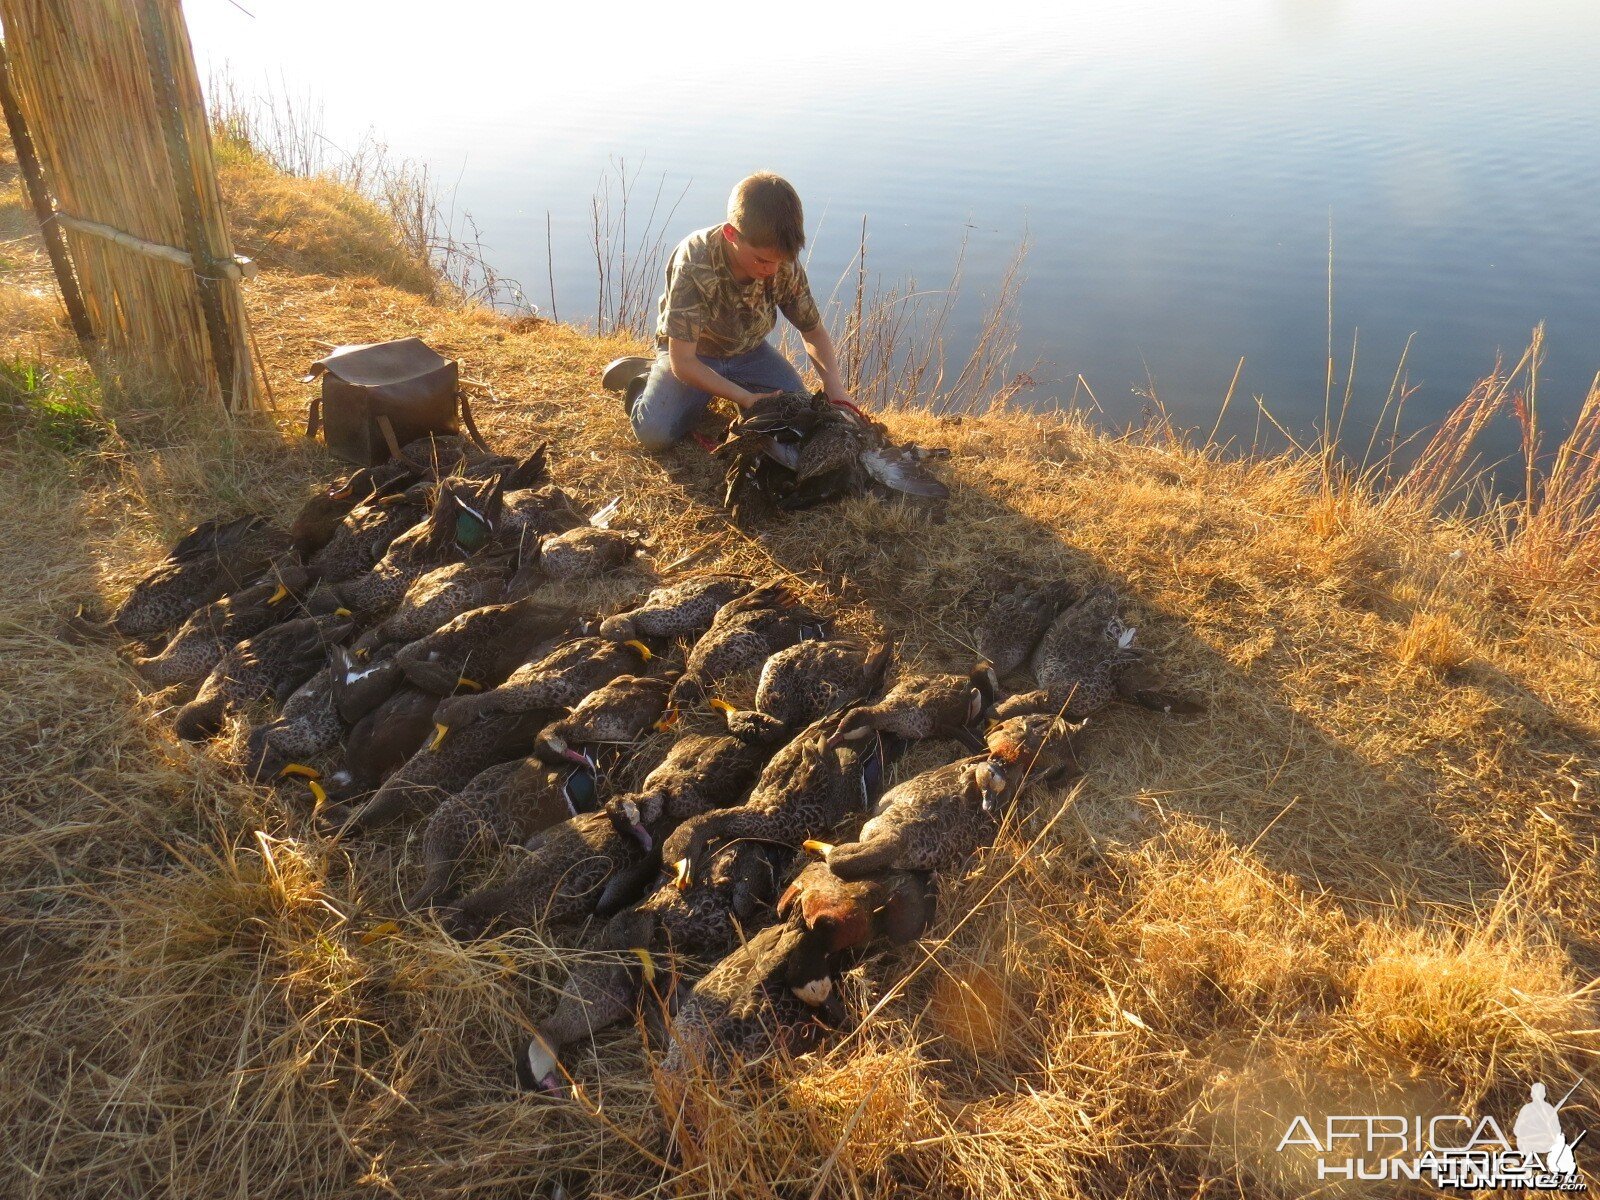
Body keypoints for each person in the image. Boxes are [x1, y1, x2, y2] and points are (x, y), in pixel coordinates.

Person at [604, 172, 851, 451]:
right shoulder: (695, 262)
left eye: (780, 260)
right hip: (693, 354)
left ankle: (711, 388)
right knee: (655, 434)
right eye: (762, 260)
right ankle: (646, 379)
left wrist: (834, 386)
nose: (771, 270)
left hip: (750, 352)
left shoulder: (781, 261)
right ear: (731, 234)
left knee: (795, 416)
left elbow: (812, 331)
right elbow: (684, 361)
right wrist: (745, 398)